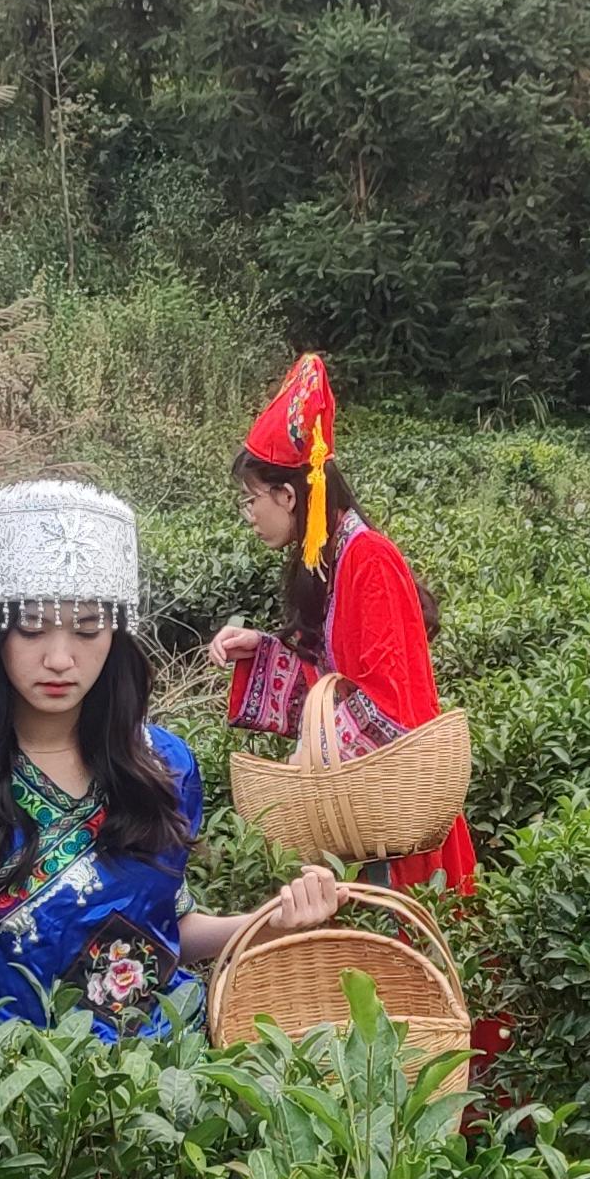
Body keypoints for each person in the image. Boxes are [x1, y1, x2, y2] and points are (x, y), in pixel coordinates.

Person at [0, 480, 347, 1035]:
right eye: (31, 628)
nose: (60, 658)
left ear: (116, 635)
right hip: (15, 1080)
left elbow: (168, 930)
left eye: (88, 628)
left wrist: (272, 923)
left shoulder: (163, 765)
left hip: (170, 1071)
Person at [208, 352, 480, 896]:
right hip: (364, 820)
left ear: (288, 495)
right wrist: (261, 649)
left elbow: (391, 703)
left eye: (251, 499)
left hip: (396, 818)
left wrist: (309, 759)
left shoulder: (367, 559)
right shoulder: (331, 559)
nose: (249, 514)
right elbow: (335, 677)